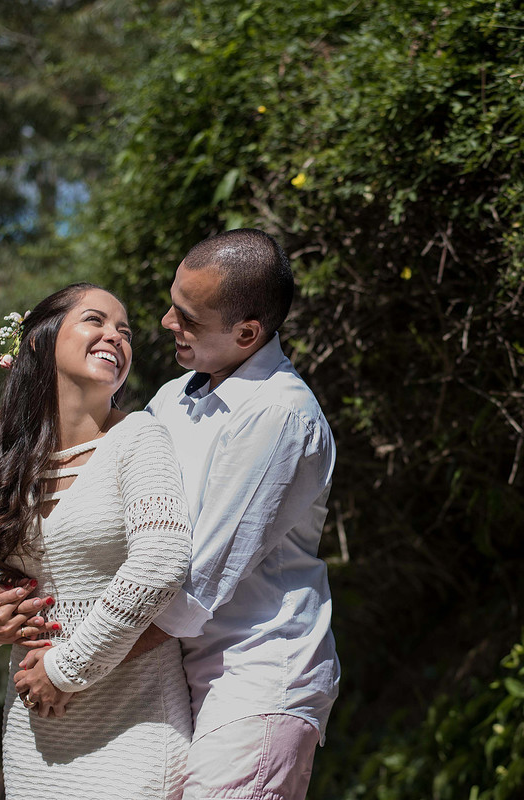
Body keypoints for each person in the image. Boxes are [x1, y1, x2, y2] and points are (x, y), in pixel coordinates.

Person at [0, 283, 194, 800]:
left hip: (135, 730)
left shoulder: (139, 439)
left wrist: (65, 670)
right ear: (39, 342)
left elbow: (162, 561)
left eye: (125, 332)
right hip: (32, 737)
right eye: (96, 321)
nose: (115, 337)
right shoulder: (7, 460)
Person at [138, 228, 340, 800]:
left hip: (259, 680)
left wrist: (77, 667)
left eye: (187, 316)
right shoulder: (173, 399)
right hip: (186, 682)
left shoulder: (278, 415)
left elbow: (196, 584)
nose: (165, 323)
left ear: (247, 333)